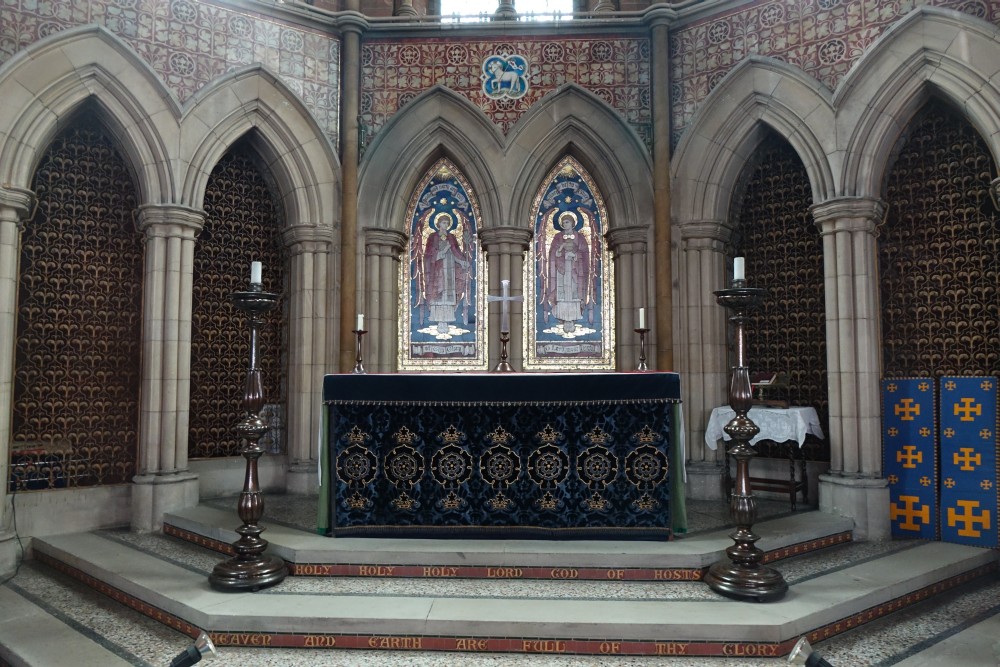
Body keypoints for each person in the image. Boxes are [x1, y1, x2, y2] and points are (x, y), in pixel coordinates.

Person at [422, 212, 470, 332]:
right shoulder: (432, 237)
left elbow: (455, 253)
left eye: (447, 223)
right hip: (437, 270)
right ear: (438, 224)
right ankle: (439, 320)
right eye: (444, 223)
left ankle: (447, 320)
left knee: (448, 293)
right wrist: (439, 254)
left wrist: (462, 262)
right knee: (438, 292)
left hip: (450, 269)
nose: (446, 225)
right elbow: (428, 254)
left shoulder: (451, 237)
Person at [544, 211, 591, 333]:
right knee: (562, 292)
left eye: (567, 222)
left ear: (573, 223)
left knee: (575, 290)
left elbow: (585, 253)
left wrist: (575, 255)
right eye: (563, 222)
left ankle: (575, 313)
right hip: (561, 271)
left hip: (576, 271)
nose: (565, 224)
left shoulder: (580, 237)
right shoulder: (557, 237)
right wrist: (560, 250)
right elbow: (553, 253)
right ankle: (562, 314)